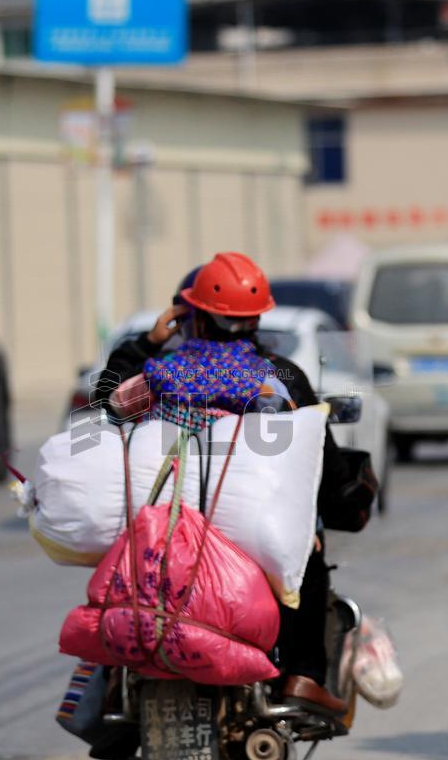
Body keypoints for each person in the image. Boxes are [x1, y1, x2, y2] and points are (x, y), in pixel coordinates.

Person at [95, 252, 375, 719]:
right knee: (305, 562)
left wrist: (143, 343)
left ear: (191, 317)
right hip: (251, 538)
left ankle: (114, 681)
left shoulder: (161, 373)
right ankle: (301, 676)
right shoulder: (280, 379)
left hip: (164, 535)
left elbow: (109, 400)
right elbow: (315, 462)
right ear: (256, 319)